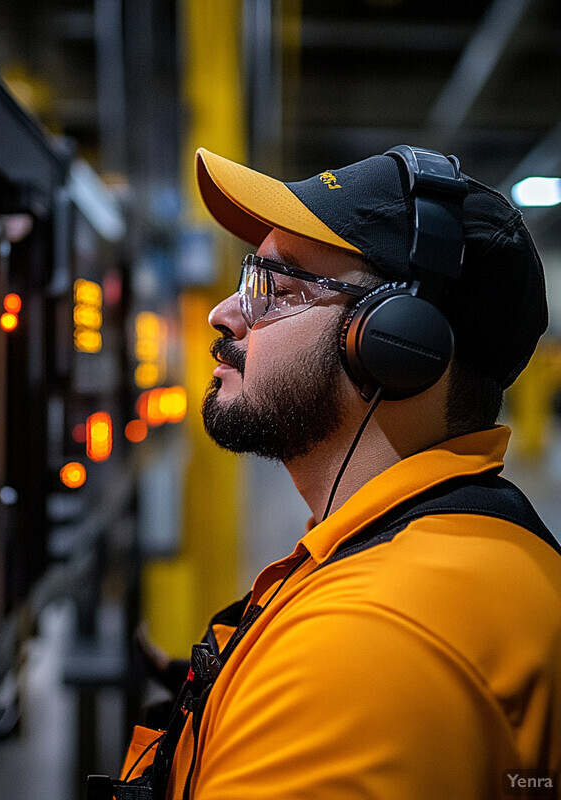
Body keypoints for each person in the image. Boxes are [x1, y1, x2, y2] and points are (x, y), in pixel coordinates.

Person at [103, 146, 561, 800]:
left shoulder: (365, 647)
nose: (224, 314)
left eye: (277, 288)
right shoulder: (461, 544)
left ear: (394, 343)